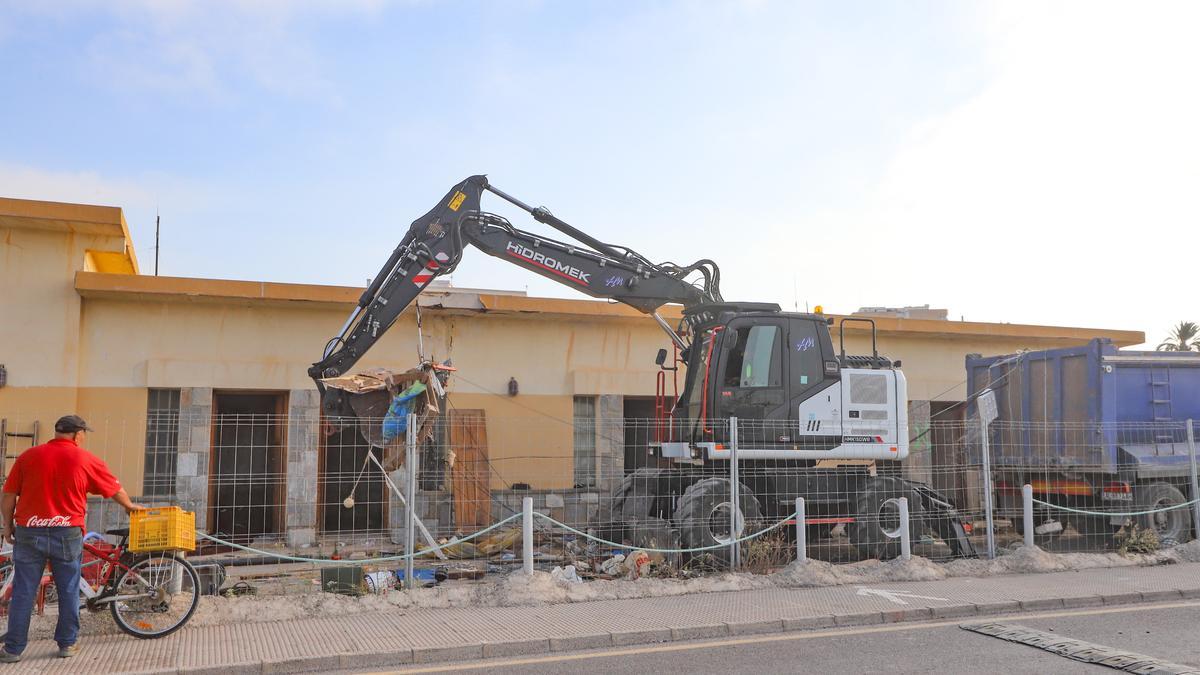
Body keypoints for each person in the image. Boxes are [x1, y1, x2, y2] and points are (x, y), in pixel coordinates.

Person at [0, 415, 142, 662]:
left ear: (57, 432)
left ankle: (13, 649)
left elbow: (8, 495)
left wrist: (7, 526)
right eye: (84, 434)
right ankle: (67, 644)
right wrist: (129, 506)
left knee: (24, 590)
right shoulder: (84, 459)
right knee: (68, 588)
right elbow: (114, 489)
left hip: (29, 531)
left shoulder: (28, 457)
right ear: (78, 435)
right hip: (67, 533)